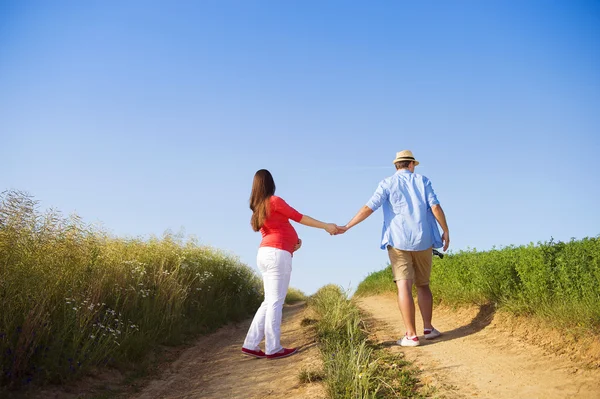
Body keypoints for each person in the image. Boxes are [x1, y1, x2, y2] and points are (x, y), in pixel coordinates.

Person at [338, 150, 449, 347]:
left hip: (398, 241)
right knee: (423, 285)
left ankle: (411, 335)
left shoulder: (387, 183)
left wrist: (347, 226)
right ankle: (428, 328)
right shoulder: (423, 181)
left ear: (396, 166)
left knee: (403, 286)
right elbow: (436, 207)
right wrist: (446, 231)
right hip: (423, 239)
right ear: (412, 165)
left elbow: (369, 207)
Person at [242, 169, 339, 359]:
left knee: (268, 301)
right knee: (276, 302)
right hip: (276, 254)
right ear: (270, 183)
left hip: (266, 253)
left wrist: (293, 244)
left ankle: (251, 344)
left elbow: (275, 232)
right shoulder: (274, 201)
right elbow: (298, 217)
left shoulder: (258, 208)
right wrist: (326, 225)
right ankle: (273, 348)